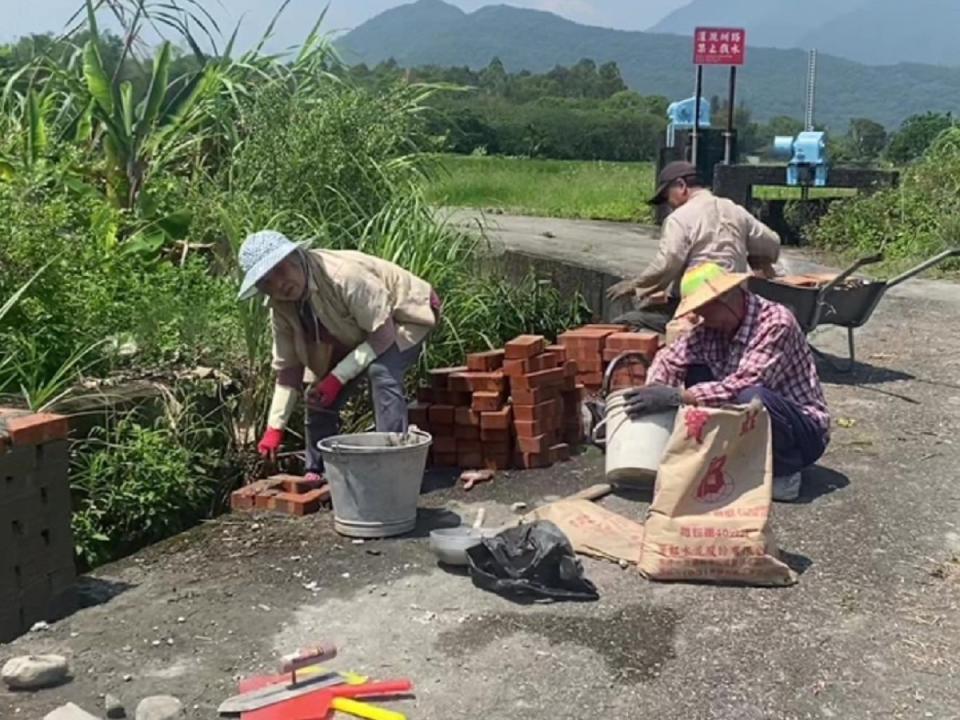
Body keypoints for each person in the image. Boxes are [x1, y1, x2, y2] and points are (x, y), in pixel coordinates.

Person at [237, 231, 439, 481]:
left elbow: (382, 336)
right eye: (266, 282)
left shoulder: (343, 276)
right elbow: (289, 370)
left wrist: (337, 378)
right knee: (317, 394)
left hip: (403, 317)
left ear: (295, 257)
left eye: (280, 271)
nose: (278, 284)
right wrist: (274, 429)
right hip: (351, 332)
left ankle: (394, 466)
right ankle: (318, 471)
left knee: (381, 373)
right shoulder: (280, 306)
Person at [622, 262, 830, 502]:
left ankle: (784, 470)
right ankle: (738, 458)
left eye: (704, 311)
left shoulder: (775, 323)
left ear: (726, 299)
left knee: (752, 398)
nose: (701, 318)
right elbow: (669, 358)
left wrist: (678, 397)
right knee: (695, 369)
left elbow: (745, 383)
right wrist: (655, 389)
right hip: (750, 421)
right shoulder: (710, 328)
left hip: (802, 433)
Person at [607, 161, 782, 334]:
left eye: (668, 197)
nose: (670, 204)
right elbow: (772, 242)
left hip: (698, 305)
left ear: (681, 185)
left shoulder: (680, 218)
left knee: (626, 321)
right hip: (736, 303)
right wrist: (756, 258)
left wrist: (636, 285)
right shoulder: (734, 210)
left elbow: (668, 261)